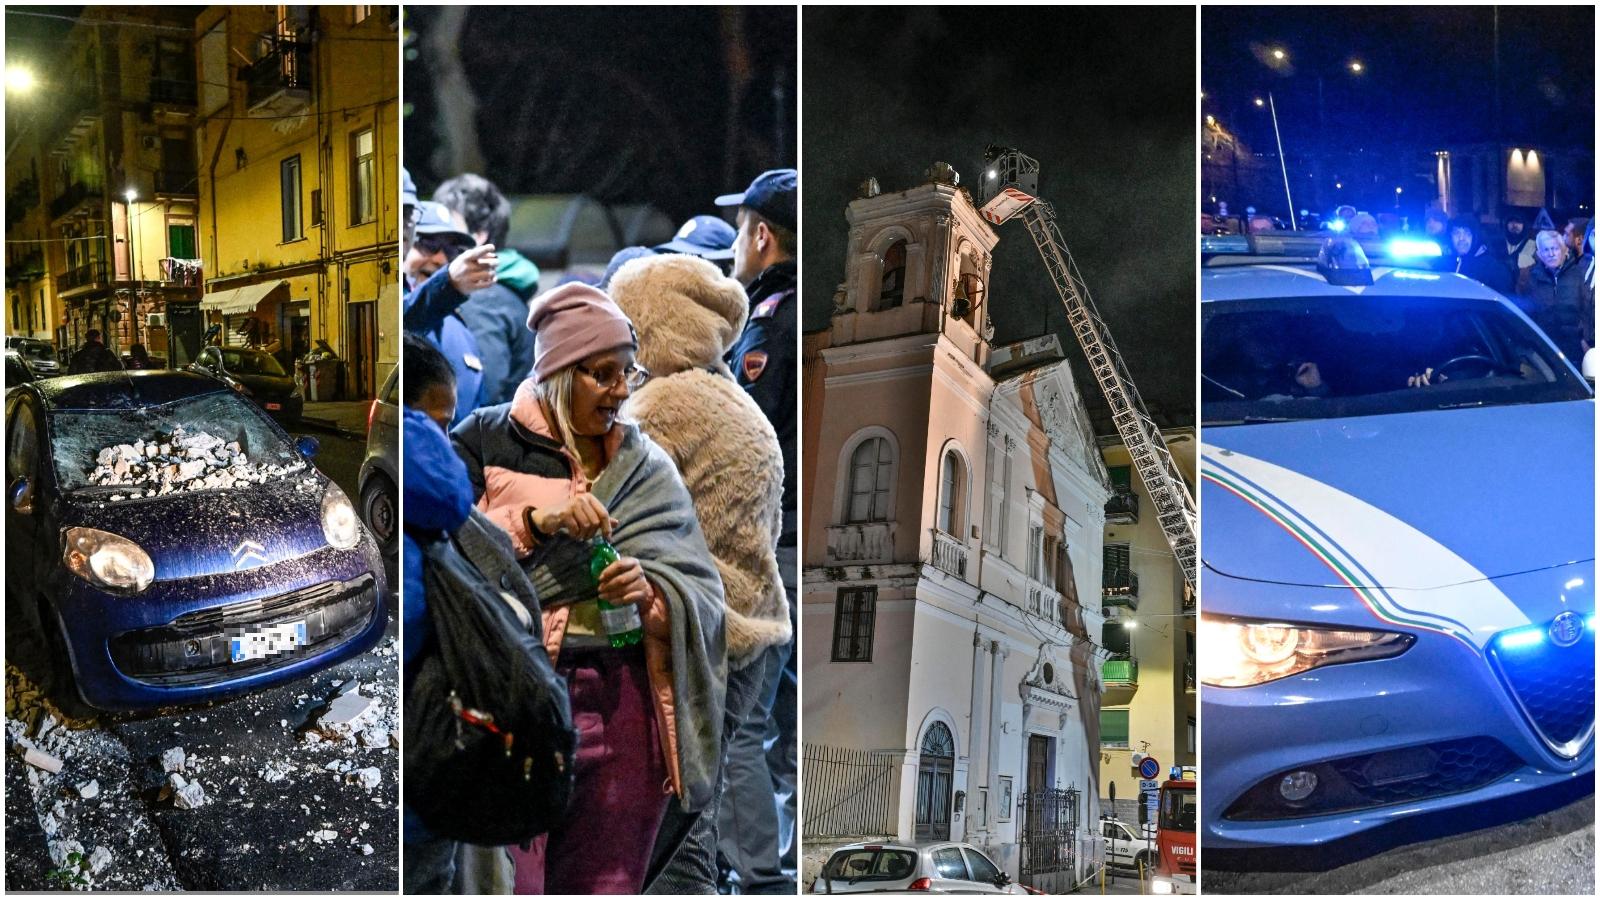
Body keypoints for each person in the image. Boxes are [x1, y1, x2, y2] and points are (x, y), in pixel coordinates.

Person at [451, 283, 726, 894]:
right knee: (511, 880)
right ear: (558, 373)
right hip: (519, 700)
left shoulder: (646, 464)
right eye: (602, 374)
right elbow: (444, 553)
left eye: (626, 372)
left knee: (607, 883)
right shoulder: (484, 440)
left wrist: (651, 593)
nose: (621, 390)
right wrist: (532, 523)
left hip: (625, 703)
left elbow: (703, 592)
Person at [608, 253, 790, 893]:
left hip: (695, 642)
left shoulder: (657, 409)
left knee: (667, 819)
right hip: (754, 635)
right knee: (696, 810)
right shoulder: (740, 406)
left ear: (646, 327)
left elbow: (604, 510)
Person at [714, 168, 798, 893]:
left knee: (741, 725)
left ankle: (759, 876)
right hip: (810, 544)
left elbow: (751, 441)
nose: (737, 246)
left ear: (762, 235)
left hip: (777, 544)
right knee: (795, 729)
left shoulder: (770, 318)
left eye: (741, 230)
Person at [400, 336, 476, 895]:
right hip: (422, 762)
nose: (445, 441)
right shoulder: (420, 464)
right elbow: (451, 493)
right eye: (439, 424)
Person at [433, 174, 542, 406]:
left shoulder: (480, 296)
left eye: (449, 231)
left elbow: (480, 392)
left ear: (478, 236)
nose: (438, 242)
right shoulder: (501, 288)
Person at [403, 199, 498, 426]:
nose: (440, 259)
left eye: (451, 250)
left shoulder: (460, 329)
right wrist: (447, 285)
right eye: (428, 244)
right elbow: (403, 324)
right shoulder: (401, 307)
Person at [1518, 229, 1586, 362]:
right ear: (1539, 254)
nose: (1551, 254)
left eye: (1555, 248)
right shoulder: (1532, 278)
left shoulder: (1579, 275)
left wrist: (1585, 340)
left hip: (1575, 351)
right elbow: (1528, 315)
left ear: (1563, 250)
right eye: (1546, 250)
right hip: (1544, 351)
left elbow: (1588, 312)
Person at [1448, 217, 1514, 296]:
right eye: (1456, 233)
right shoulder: (1445, 263)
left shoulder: (1491, 267)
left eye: (1467, 233)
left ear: (1475, 237)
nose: (1461, 238)